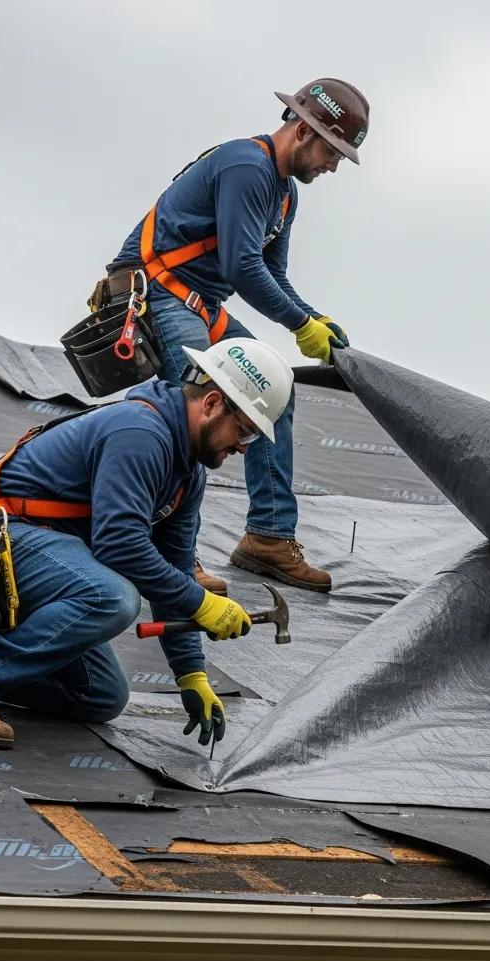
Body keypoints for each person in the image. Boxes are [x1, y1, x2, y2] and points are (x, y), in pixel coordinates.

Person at [0, 340, 294, 751]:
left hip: (25, 558)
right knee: (113, 597)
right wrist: (201, 604)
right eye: (245, 429)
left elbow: (177, 567)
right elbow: (120, 544)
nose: (244, 446)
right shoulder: (139, 433)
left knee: (100, 695)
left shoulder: (188, 474)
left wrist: (192, 674)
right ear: (210, 404)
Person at [103, 79, 370, 594]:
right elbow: (242, 266)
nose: (334, 165)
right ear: (302, 129)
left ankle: (268, 539)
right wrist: (298, 324)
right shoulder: (246, 167)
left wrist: (316, 318)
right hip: (156, 288)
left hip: (198, 302)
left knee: (276, 393)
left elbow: (273, 274)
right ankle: (173, 559)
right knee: (199, 401)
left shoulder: (285, 196)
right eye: (332, 151)